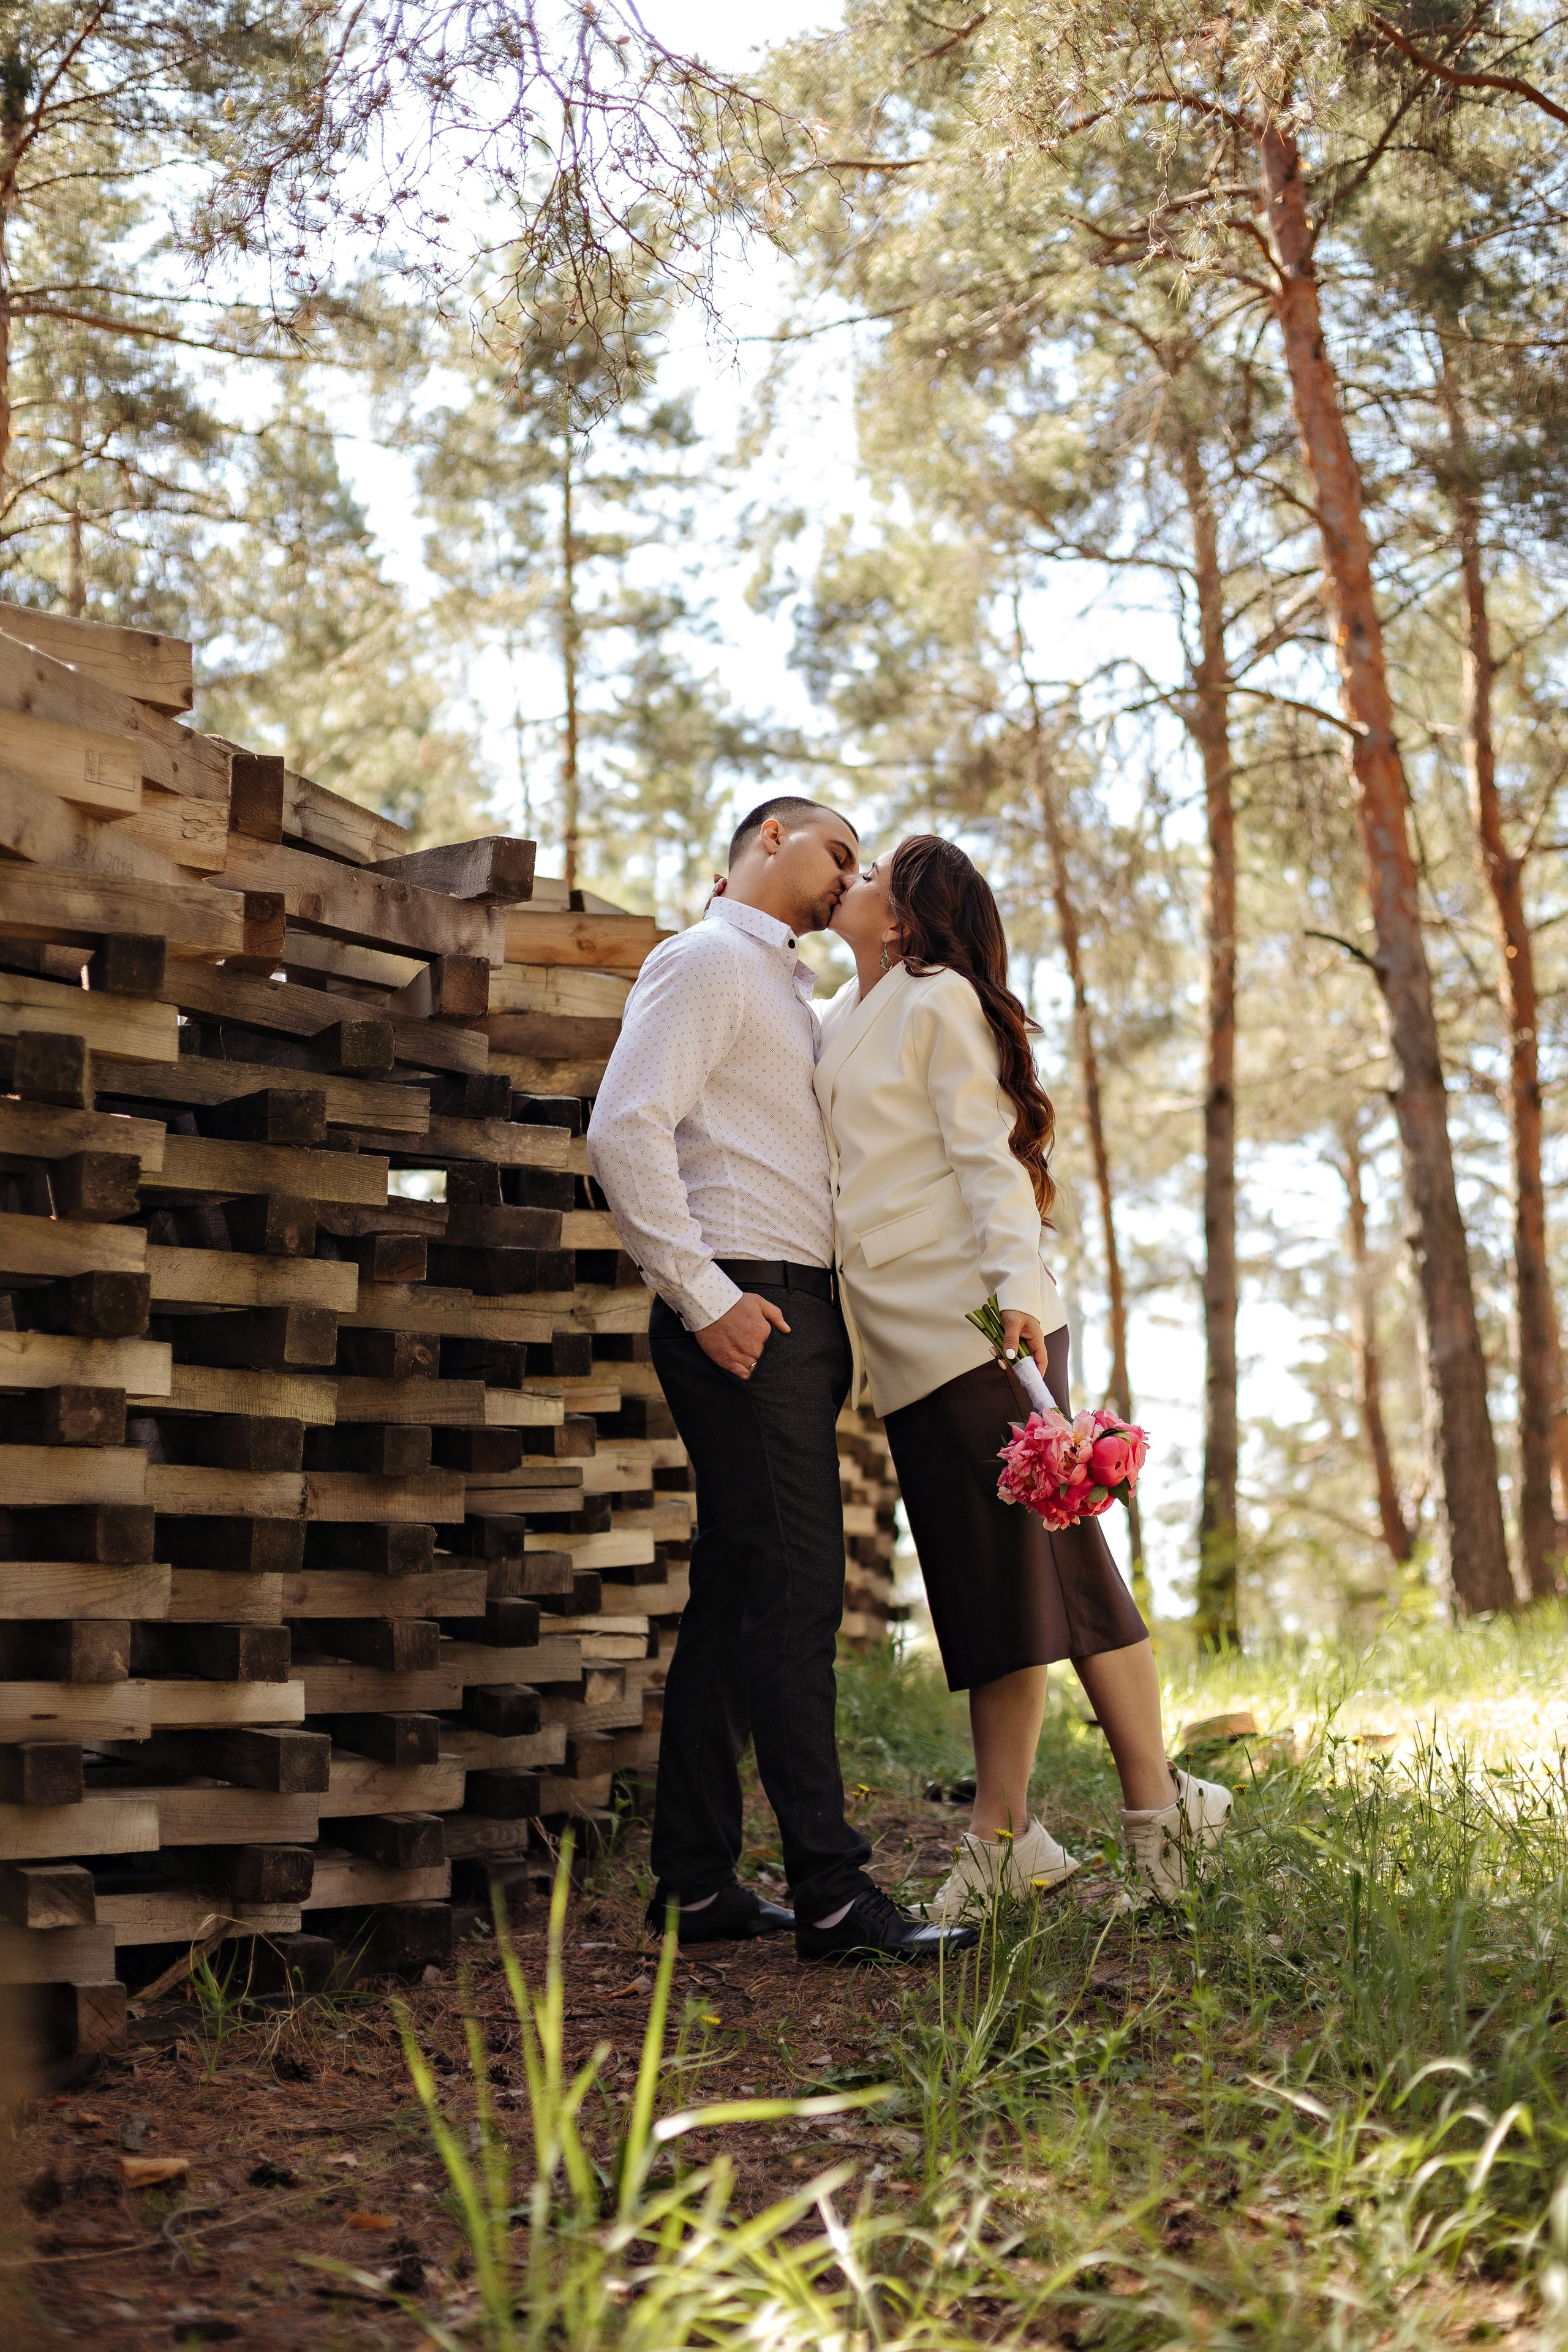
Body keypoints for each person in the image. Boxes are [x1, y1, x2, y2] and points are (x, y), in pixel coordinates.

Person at [587, 797, 979, 1963]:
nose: (848, 879)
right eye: (838, 855)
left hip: (794, 1317)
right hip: (745, 1310)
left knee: (739, 1598)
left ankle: (699, 1887)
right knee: (802, 1596)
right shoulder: (706, 959)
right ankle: (832, 1892)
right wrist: (706, 1301)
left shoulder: (795, 999)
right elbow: (624, 1130)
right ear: (770, 842)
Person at [816, 835, 1232, 1915]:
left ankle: (1160, 1816)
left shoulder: (933, 997)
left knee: (1072, 1577)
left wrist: (1023, 1304)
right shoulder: (841, 1017)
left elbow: (987, 1160)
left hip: (975, 1329)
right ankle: (1004, 1841)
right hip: (902, 1347)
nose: (850, 886)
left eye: (871, 879)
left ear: (904, 920)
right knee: (987, 1593)